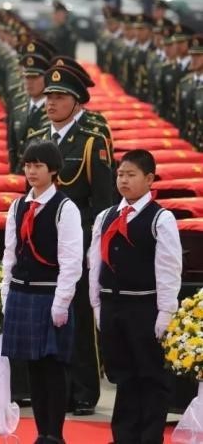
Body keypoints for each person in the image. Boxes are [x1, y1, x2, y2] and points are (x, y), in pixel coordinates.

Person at [25, 66, 114, 416]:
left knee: (77, 314)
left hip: (78, 238)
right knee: (45, 313)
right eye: (49, 96)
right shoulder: (37, 138)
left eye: (59, 97)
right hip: (42, 240)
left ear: (76, 102)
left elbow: (103, 201)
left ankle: (84, 390)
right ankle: (54, 389)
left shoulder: (91, 141)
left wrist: (94, 246)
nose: (51, 103)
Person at [89, 150, 180, 444]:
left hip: (144, 306)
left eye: (131, 175)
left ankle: (150, 437)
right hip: (112, 305)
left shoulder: (160, 218)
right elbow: (95, 263)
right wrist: (96, 304)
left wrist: (165, 311)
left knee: (150, 375)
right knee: (123, 375)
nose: (124, 181)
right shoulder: (106, 216)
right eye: (120, 175)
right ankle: (124, 436)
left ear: (149, 179)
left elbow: (168, 267)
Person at [1, 140, 83, 444]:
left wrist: (61, 302)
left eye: (38, 166)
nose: (31, 171)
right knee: (32, 367)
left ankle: (55, 434)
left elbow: (71, 260)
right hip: (22, 293)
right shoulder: (17, 206)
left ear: (53, 170)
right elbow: (9, 254)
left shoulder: (65, 208)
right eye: (28, 165)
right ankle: (40, 433)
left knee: (53, 366)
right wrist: (6, 293)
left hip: (50, 294)